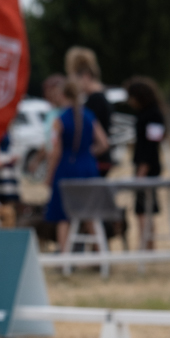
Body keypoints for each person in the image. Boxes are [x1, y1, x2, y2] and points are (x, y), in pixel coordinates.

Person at [44, 79, 110, 251]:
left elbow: (56, 152)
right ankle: (100, 253)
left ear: (62, 95)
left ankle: (64, 256)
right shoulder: (88, 115)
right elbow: (104, 143)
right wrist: (87, 153)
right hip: (88, 167)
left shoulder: (60, 119)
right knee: (90, 214)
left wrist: (49, 175)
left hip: (67, 168)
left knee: (63, 216)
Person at [125, 76, 168, 250]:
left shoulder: (153, 115)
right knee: (145, 207)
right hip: (145, 165)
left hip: (147, 166)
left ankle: (146, 244)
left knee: (143, 208)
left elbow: (151, 146)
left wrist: (142, 169)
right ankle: (148, 243)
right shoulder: (147, 113)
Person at [65, 47, 113, 177]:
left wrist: (81, 156)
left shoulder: (94, 100)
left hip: (97, 160)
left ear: (85, 76)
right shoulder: (99, 96)